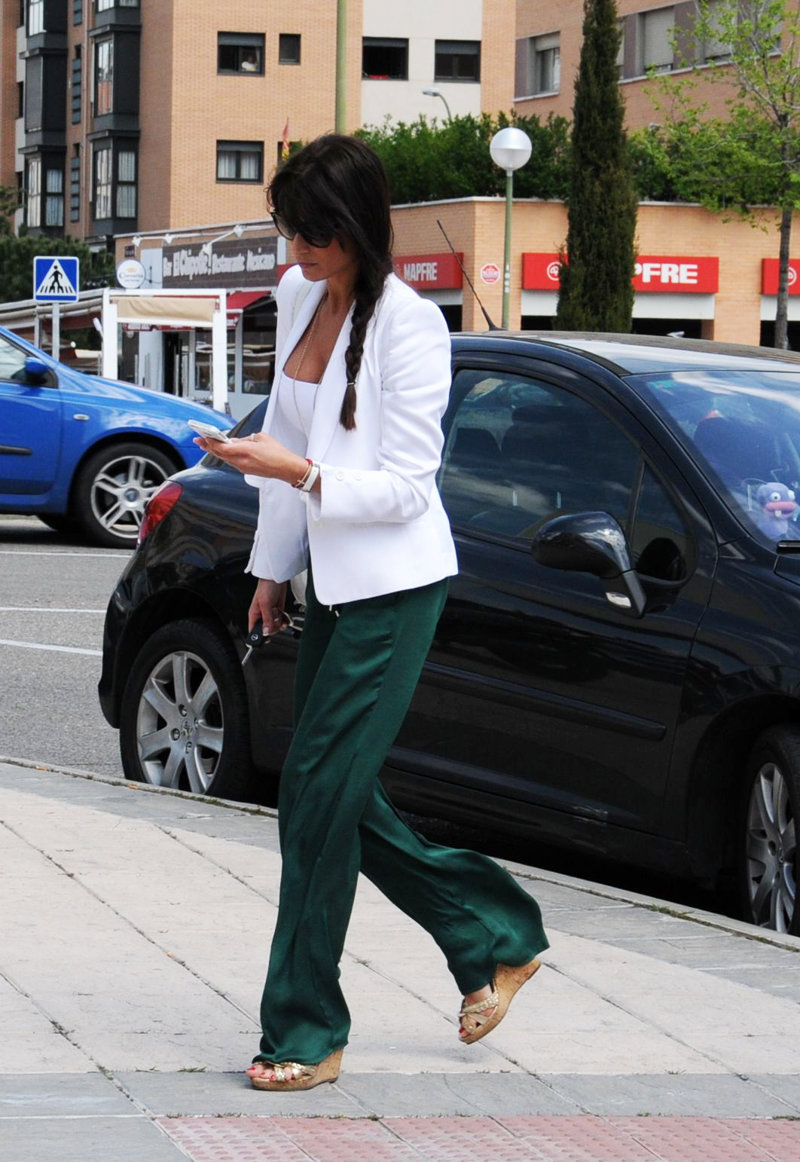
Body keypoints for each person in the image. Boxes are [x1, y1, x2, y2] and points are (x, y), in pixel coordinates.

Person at [195, 134, 549, 1093]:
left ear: (356, 227)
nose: (299, 250)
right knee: (330, 791)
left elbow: (406, 487)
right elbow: (283, 437)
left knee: (315, 797)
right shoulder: (301, 293)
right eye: (290, 230)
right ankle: (491, 932)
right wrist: (273, 569)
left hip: (397, 587)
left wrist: (302, 473)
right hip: (334, 588)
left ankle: (307, 1028)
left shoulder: (411, 326)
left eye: (315, 233)